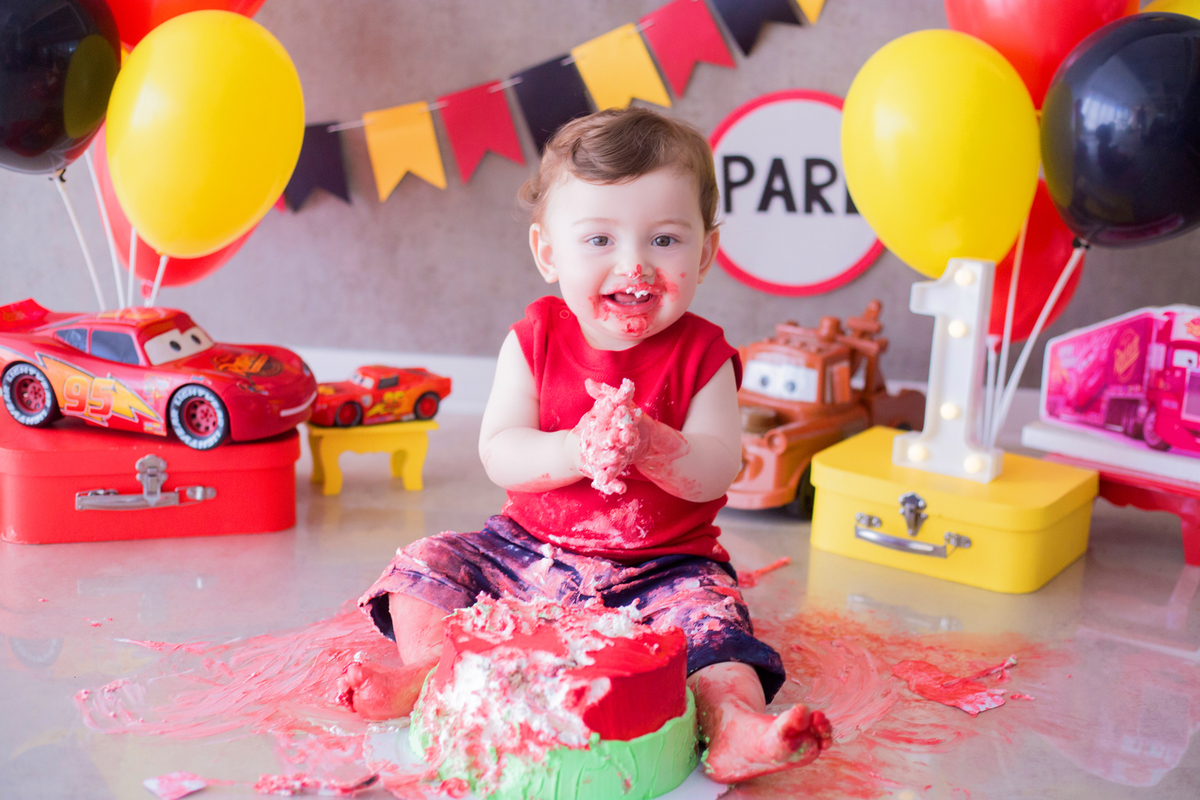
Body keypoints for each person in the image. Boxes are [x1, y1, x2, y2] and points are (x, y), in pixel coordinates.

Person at [337, 107, 832, 782]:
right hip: (527, 553)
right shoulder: (535, 339)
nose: (634, 264)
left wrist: (656, 447)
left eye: (664, 240)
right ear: (549, 253)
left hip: (664, 567)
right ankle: (429, 670)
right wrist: (574, 450)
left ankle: (734, 724)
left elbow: (721, 466)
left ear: (706, 254)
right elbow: (500, 450)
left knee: (715, 631)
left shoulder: (704, 355)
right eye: (599, 239)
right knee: (428, 565)